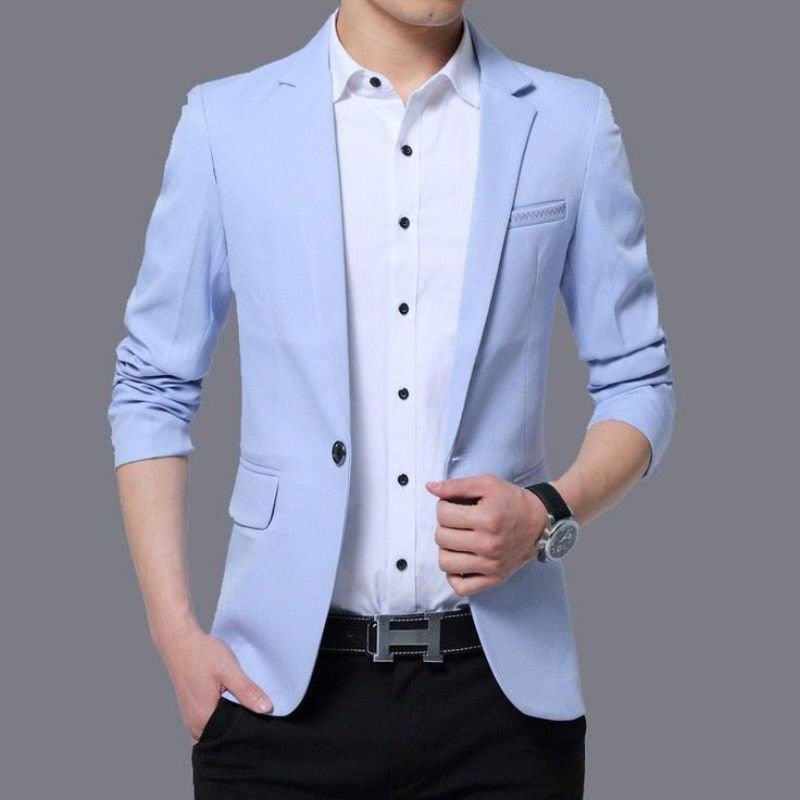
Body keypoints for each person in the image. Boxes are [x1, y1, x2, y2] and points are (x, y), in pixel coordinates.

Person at [108, 1, 675, 797]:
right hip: (276, 696)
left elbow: (639, 381)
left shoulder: (569, 122)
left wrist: (549, 511)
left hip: (502, 709)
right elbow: (152, 387)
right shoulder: (225, 123)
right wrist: (175, 637)